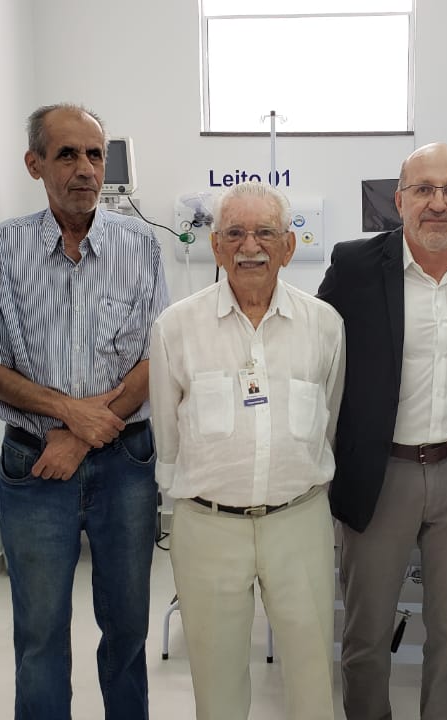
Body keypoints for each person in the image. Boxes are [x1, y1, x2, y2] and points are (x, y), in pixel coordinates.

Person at [0, 103, 168, 720]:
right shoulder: (5, 248)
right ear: (34, 164)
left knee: (127, 627)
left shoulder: (141, 244)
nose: (85, 169)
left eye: (95, 154)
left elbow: (159, 355)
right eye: (67, 154)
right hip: (34, 465)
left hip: (125, 462)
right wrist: (68, 415)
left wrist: (81, 435)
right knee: (39, 635)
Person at [317, 142, 447, 719]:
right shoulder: (355, 265)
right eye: (423, 189)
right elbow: (315, 349)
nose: (438, 203)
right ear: (398, 200)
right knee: (366, 630)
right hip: (382, 472)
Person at [150, 181, 345, 720]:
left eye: (265, 232)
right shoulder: (175, 328)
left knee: (311, 674)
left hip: (299, 521)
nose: (250, 245)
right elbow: (167, 434)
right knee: (216, 682)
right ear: (216, 246)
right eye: (234, 233)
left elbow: (328, 419)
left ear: (289, 246)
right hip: (208, 525)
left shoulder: (325, 326)